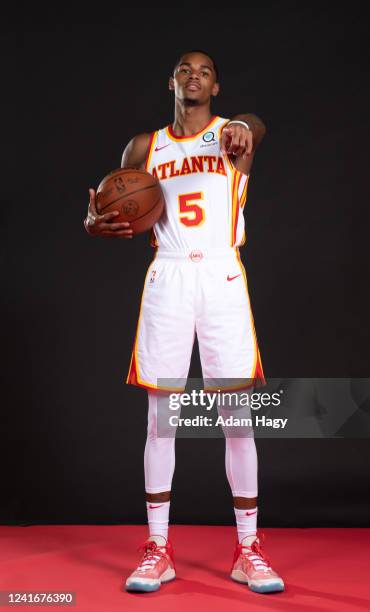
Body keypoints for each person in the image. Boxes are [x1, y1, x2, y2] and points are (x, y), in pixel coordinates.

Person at [84, 49, 284, 595]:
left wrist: (245, 124)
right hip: (168, 277)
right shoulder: (145, 147)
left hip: (221, 275)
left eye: (205, 71)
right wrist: (95, 217)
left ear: (216, 87)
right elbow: (114, 204)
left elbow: (257, 126)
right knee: (160, 419)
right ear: (170, 81)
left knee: (238, 417)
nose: (194, 77)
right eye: (184, 70)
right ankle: (157, 549)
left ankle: (248, 549)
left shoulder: (232, 135)